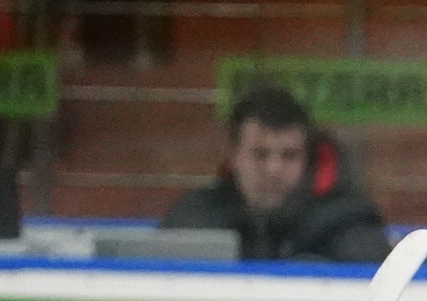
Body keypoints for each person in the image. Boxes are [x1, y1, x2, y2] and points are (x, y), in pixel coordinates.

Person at [162, 84, 389, 264]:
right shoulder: (195, 220)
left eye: (289, 155)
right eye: (260, 154)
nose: (274, 170)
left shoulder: (346, 223)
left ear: (307, 159)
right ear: (233, 156)